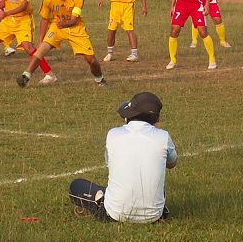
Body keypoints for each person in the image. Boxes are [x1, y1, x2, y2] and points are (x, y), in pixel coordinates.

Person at [69, 92, 176, 223]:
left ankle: (101, 200)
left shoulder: (113, 134)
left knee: (76, 186)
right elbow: (172, 163)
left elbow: (110, 163)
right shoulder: (163, 136)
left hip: (115, 214)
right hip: (154, 216)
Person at [16, 0, 105, 87]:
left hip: (75, 28)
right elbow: (44, 19)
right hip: (57, 27)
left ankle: (99, 78)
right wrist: (41, 40)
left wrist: (64, 24)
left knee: (91, 60)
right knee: (41, 50)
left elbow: (74, 20)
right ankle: (25, 76)